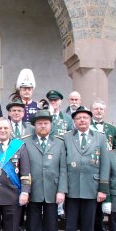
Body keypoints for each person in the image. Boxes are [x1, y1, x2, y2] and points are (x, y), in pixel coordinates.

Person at [62, 106, 110, 231]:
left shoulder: (100, 138)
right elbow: (62, 164)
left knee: (88, 226)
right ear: (73, 121)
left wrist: (103, 188)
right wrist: (63, 188)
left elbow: (105, 164)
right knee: (70, 225)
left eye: (85, 118)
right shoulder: (66, 137)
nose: (82, 120)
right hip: (72, 187)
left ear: (90, 120)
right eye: (78, 118)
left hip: (92, 187)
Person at [22, 110, 67, 231]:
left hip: (53, 190)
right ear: (34, 125)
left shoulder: (60, 143)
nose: (42, 125)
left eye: (46, 123)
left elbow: (63, 169)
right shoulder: (25, 142)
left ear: (51, 125)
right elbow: (22, 168)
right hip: (33, 189)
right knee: (32, 223)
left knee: (51, 224)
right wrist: (24, 190)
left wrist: (62, 190)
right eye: (39, 123)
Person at [6, 97, 34, 231]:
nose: (16, 113)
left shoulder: (31, 128)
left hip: (26, 166)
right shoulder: (4, 127)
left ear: (24, 113)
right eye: (14, 111)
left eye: (19, 111)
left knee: (25, 196)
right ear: (9, 113)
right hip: (7, 168)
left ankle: (22, 224)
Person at [90, 99, 116, 231]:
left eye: (101, 109)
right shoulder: (87, 126)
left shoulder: (111, 129)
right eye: (96, 108)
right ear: (92, 111)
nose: (99, 111)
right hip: (91, 165)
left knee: (102, 195)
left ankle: (99, 224)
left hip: (106, 167)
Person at [46, 90, 73, 220]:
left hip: (62, 152)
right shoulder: (45, 116)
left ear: (60, 102)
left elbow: (71, 135)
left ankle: (60, 208)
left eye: (55, 100)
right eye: (51, 101)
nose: (53, 103)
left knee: (61, 179)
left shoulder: (67, 118)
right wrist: (49, 115)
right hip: (46, 153)